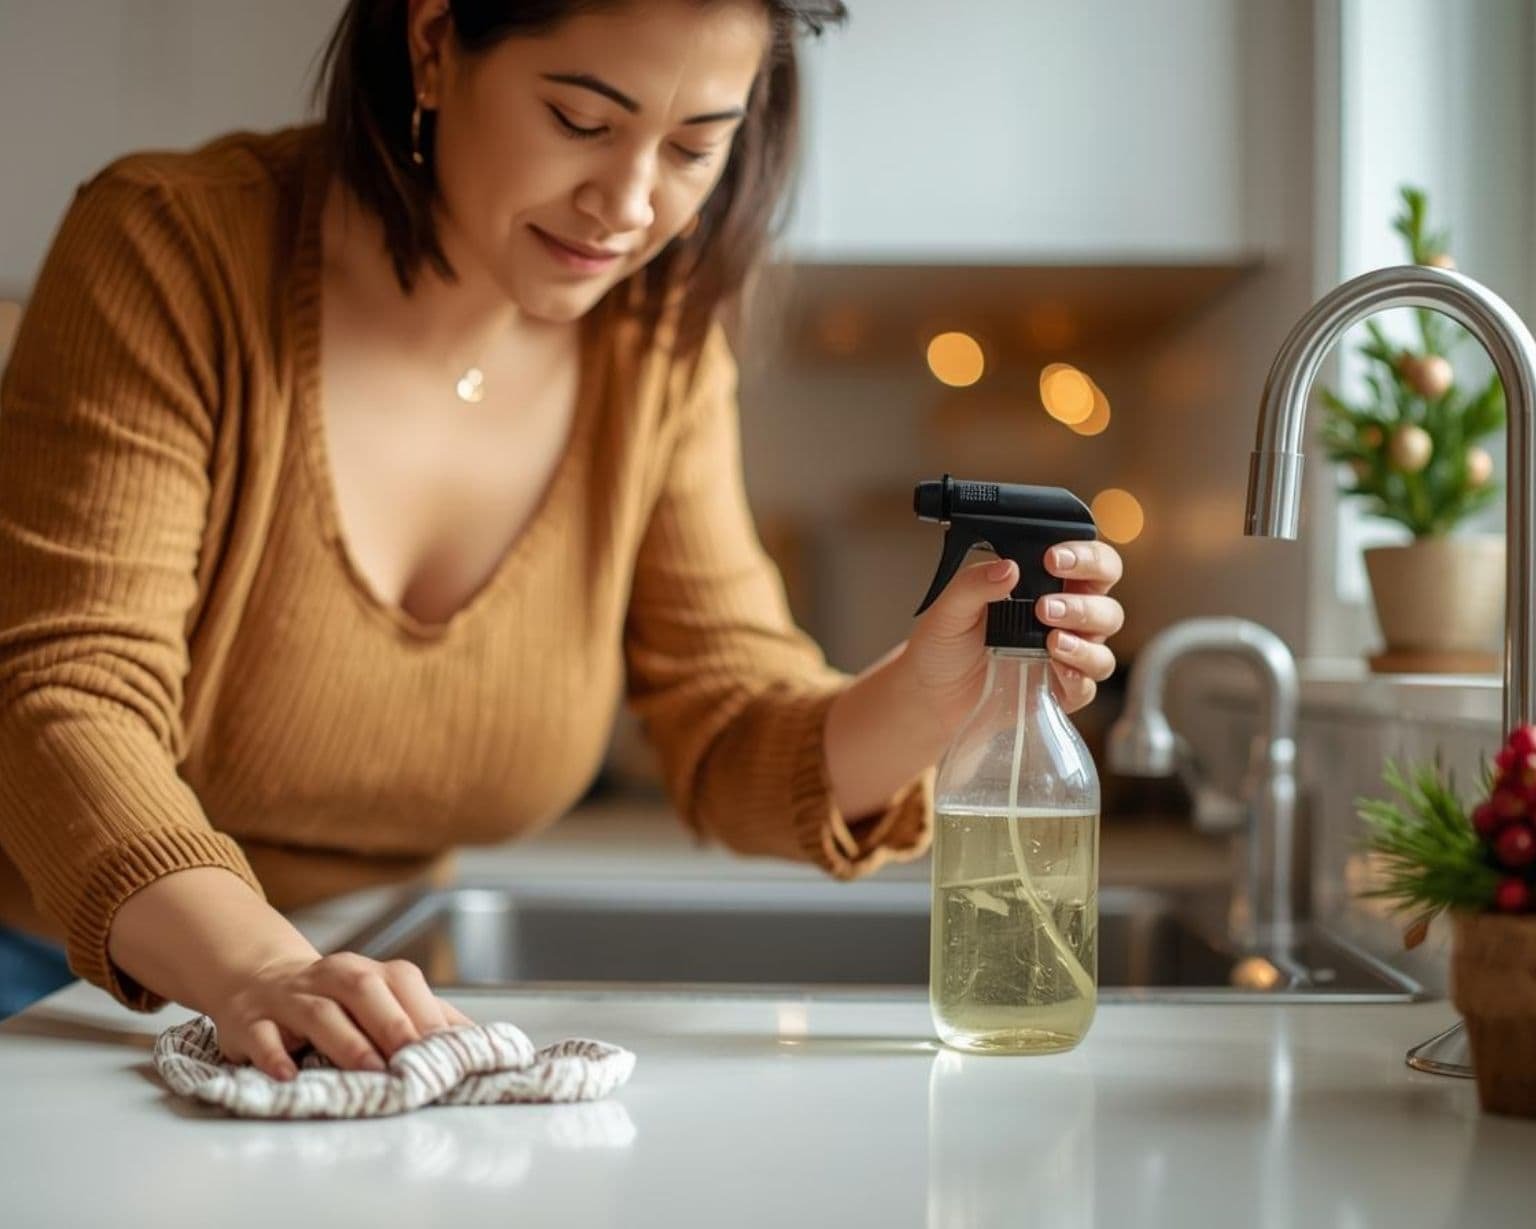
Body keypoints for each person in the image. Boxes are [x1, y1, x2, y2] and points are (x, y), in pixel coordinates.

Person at [0, 0, 1123, 1071]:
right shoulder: (172, 247)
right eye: (581, 121)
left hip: (363, 992)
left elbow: (731, 721)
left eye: (693, 147)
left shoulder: (656, 347)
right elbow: (67, 695)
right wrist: (260, 968)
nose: (627, 205)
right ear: (434, 40)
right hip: (58, 985)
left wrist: (930, 694)